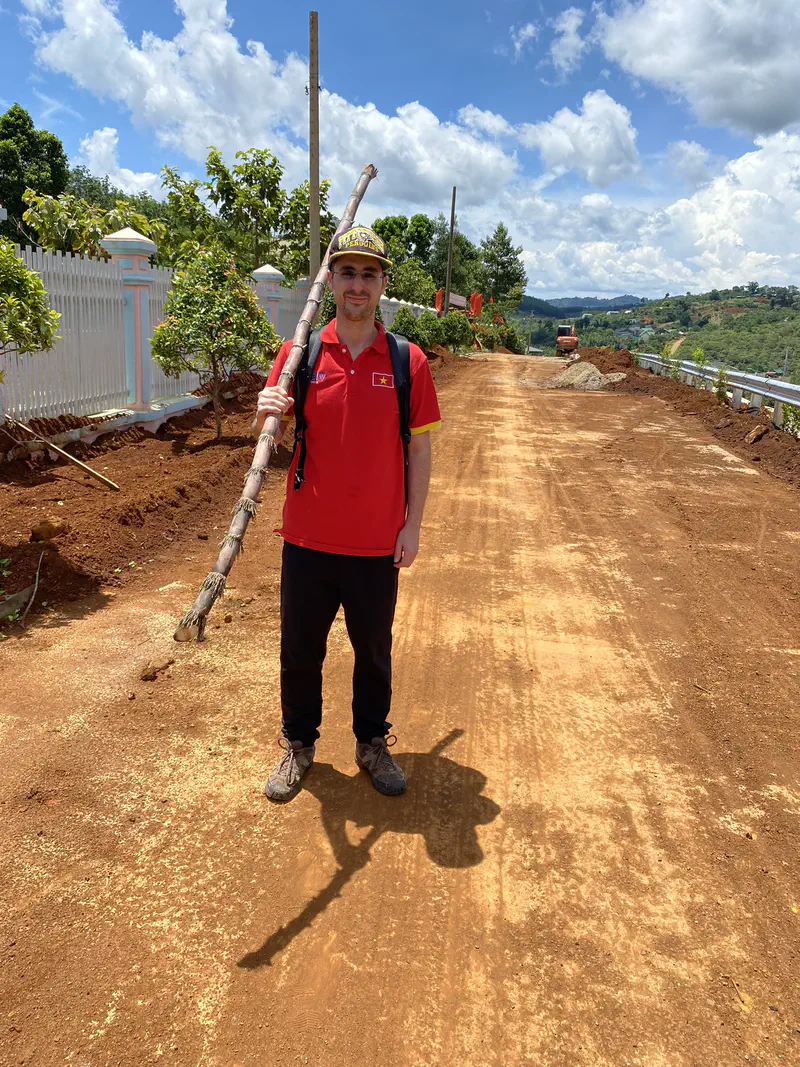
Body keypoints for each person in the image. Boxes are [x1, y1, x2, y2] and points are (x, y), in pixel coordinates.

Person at [252, 225, 441, 802]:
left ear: (383, 284)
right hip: (308, 536)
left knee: (374, 650)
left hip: (376, 541)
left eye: (369, 274)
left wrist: (411, 525)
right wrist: (268, 413)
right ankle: (299, 745)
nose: (357, 284)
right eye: (347, 272)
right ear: (330, 279)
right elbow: (272, 444)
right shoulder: (299, 353)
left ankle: (371, 743)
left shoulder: (408, 361)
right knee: (300, 648)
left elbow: (420, 449)